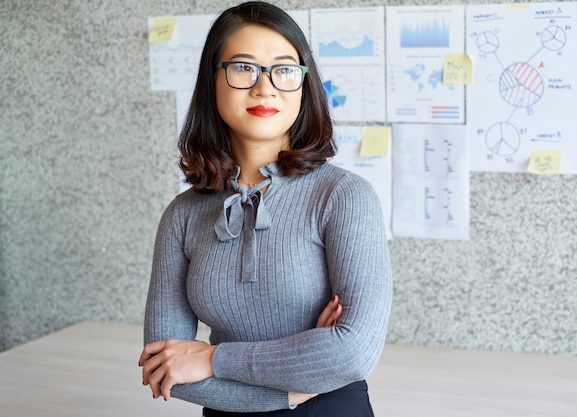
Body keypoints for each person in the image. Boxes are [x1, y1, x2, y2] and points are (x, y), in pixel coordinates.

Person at [138, 2, 393, 416]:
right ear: (212, 80)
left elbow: (353, 352)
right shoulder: (182, 215)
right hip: (240, 409)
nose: (265, 87)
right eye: (243, 68)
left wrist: (212, 358)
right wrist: (290, 390)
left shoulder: (344, 196)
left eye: (284, 69)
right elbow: (162, 365)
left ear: (303, 83)